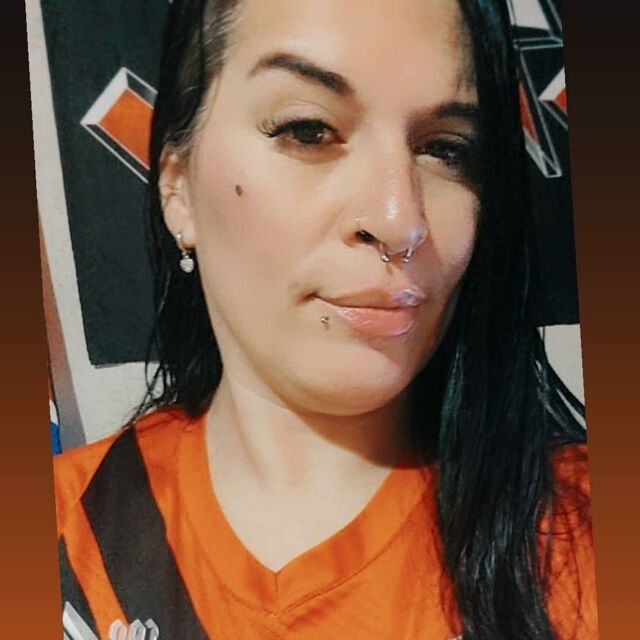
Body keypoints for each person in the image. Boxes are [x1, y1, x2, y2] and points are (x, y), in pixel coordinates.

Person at [53, 0, 596, 638]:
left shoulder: (582, 537)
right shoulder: (66, 532)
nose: (399, 220)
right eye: (309, 130)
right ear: (178, 187)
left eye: (446, 149)